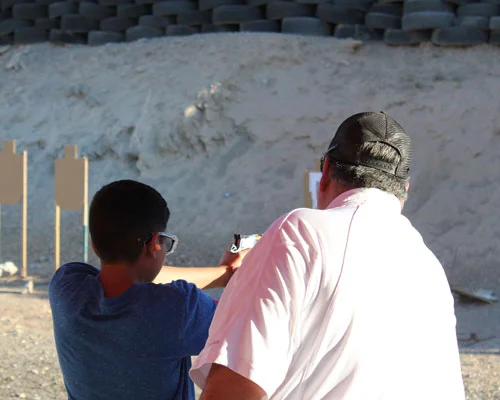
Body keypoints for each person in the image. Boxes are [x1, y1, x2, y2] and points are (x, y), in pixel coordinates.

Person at [190, 112, 465, 399]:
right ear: (404, 190)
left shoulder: (301, 231)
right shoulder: (430, 266)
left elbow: (235, 387)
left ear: (325, 174)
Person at [49, 179, 243, 400]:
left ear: (94, 245)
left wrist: (224, 273)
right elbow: (244, 322)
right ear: (155, 245)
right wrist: (246, 271)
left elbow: (121, 276)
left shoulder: (66, 287)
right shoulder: (180, 308)